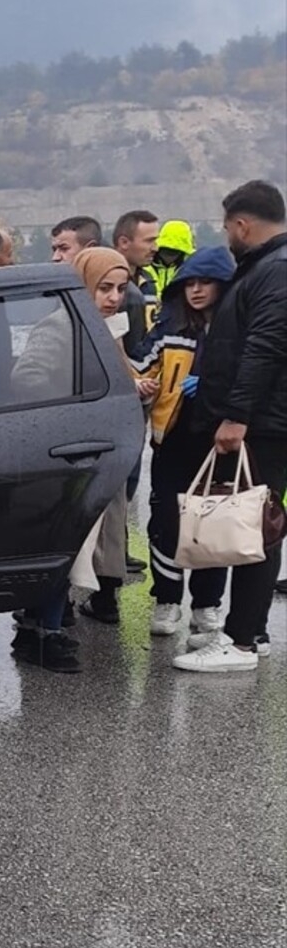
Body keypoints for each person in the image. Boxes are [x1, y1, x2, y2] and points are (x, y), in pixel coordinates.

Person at [9, 247, 153, 670]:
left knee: (75, 550)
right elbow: (27, 379)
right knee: (62, 549)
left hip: (97, 454)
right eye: (103, 287)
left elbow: (115, 376)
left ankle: (43, 630)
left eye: (120, 288)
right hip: (66, 456)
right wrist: (77, 411)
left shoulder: (103, 328)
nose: (112, 297)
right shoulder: (60, 327)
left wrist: (135, 386)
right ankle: (42, 634)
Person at [174, 181, 287, 673]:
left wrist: (237, 415)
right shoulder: (267, 268)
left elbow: (264, 347)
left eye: (227, 227)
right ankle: (251, 632)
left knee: (254, 525)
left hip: (261, 422)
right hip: (259, 418)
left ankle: (242, 640)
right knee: (254, 521)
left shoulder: (275, 271)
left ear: (243, 225)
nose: (228, 236)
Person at [129, 245, 236, 638]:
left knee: (214, 525)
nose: (195, 290)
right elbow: (139, 366)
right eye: (189, 282)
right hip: (173, 442)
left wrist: (209, 388)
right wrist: (144, 386)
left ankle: (207, 605)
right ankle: (168, 600)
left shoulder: (240, 333)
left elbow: (251, 381)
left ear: (224, 286)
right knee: (166, 524)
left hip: (220, 443)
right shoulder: (170, 329)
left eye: (205, 282)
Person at [112, 209, 161, 344]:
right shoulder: (105, 284)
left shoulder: (148, 281)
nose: (155, 248)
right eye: (149, 241)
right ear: (124, 243)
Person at [146, 219, 196, 295]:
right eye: (166, 250)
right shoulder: (143, 268)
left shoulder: (191, 270)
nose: (169, 255)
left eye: (174, 252)